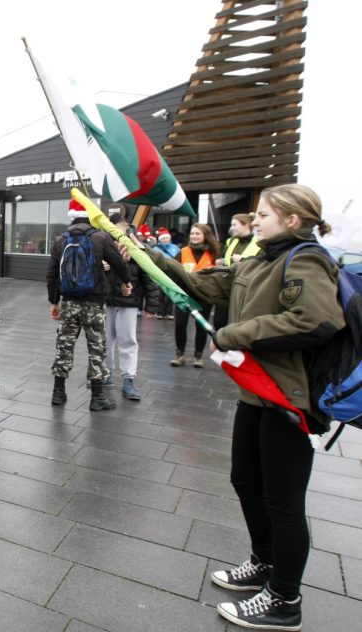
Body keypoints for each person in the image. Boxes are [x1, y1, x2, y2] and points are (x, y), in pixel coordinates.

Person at [144, 184, 342, 631]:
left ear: (293, 220)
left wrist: (235, 333)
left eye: (265, 215)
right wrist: (148, 255)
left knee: (283, 501)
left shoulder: (306, 260)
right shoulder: (258, 259)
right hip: (254, 392)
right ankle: (264, 563)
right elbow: (199, 283)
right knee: (245, 481)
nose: (257, 221)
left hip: (287, 399)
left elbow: (315, 318)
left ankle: (284, 599)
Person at [46, 199, 131, 411]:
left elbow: (52, 274)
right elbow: (118, 262)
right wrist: (126, 282)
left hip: (69, 303)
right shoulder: (100, 237)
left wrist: (54, 301)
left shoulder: (60, 240)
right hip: (94, 302)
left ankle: (58, 393)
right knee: (97, 348)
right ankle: (97, 398)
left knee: (64, 346)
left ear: (72, 216)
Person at [102, 213, 160, 401]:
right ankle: (107, 373)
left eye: (118, 225)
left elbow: (149, 277)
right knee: (105, 340)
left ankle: (128, 379)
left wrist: (151, 305)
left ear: (126, 226)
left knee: (128, 341)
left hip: (128, 302)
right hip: (107, 300)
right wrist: (100, 266)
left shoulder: (137, 248)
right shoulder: (104, 244)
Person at [171, 223, 221, 368]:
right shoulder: (183, 251)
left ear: (205, 235)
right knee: (180, 324)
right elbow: (174, 270)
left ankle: (198, 356)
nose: (194, 236)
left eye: (198, 234)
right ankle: (180, 354)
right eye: (192, 234)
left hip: (204, 296)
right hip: (184, 295)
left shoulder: (214, 253)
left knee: (201, 325)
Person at [213, 213, 262, 330]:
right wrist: (222, 261)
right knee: (219, 321)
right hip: (227, 285)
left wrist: (243, 260)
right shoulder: (230, 241)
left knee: (238, 321)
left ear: (246, 225)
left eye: (234, 225)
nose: (231, 228)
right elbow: (227, 259)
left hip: (247, 287)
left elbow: (263, 262)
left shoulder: (259, 242)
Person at [154, 227, 180, 320]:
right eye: (163, 238)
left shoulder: (175, 248)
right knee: (160, 294)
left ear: (170, 238)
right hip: (161, 272)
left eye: (167, 238)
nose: (165, 240)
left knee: (170, 294)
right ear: (160, 239)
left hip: (172, 273)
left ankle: (169, 313)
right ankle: (160, 312)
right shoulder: (156, 249)